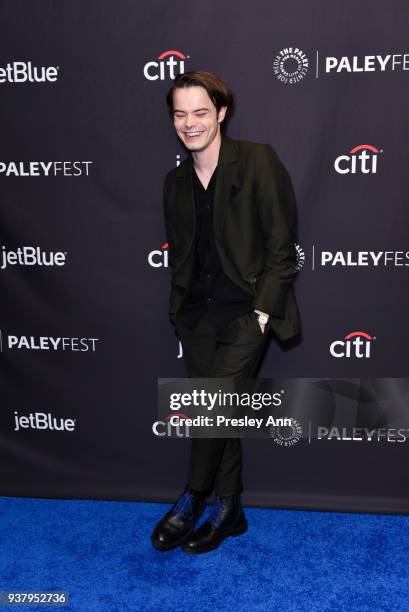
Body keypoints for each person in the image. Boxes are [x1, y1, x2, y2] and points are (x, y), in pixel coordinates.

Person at [151, 70, 300, 554]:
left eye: (199, 112)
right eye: (180, 114)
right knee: (222, 413)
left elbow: (282, 248)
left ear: (220, 113)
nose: (189, 123)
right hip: (196, 317)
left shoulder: (257, 161)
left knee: (210, 409)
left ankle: (192, 498)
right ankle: (230, 508)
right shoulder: (174, 182)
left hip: (246, 315)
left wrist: (263, 313)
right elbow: (183, 255)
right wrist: (179, 311)